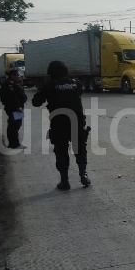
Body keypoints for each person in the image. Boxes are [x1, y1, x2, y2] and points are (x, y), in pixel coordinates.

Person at [31, 61, 91, 190]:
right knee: (80, 149)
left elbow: (35, 102)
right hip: (77, 121)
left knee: (61, 151)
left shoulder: (50, 85)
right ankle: (83, 175)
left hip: (59, 123)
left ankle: (65, 181)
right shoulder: (76, 84)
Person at [0, 69, 27, 149]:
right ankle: (15, 144)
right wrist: (18, 107)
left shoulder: (14, 83)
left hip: (16, 107)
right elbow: (12, 97)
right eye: (18, 75)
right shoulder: (9, 85)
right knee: (15, 125)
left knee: (14, 125)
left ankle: (12, 143)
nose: (20, 76)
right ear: (12, 76)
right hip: (15, 108)